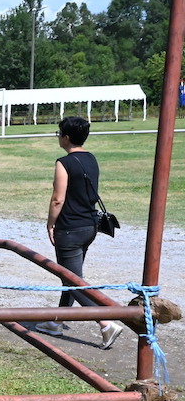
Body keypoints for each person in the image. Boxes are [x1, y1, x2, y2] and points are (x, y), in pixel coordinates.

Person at [36, 116, 124, 349]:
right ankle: (57, 322)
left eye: (59, 133)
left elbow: (58, 199)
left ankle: (105, 324)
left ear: (66, 137)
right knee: (72, 276)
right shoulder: (91, 159)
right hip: (89, 227)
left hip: (69, 229)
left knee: (73, 281)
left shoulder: (63, 163)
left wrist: (50, 223)